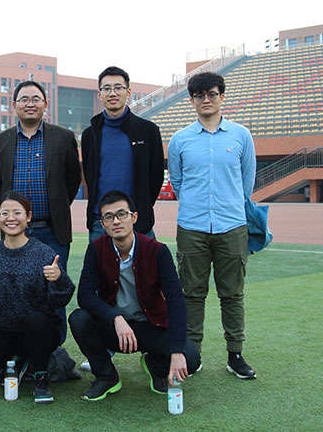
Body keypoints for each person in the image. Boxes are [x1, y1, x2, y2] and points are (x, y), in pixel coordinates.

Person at [167, 71, 257, 379]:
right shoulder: (180, 140)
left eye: (212, 94)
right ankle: (192, 355)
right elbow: (178, 182)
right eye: (199, 95)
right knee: (191, 293)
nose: (206, 99)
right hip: (191, 226)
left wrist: (229, 206)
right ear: (192, 100)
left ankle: (235, 354)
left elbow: (246, 182)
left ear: (222, 97)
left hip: (232, 225)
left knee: (232, 294)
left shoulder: (241, 136)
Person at [69, 190, 200, 401]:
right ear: (103, 224)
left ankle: (155, 366)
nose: (116, 221)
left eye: (122, 214)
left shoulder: (157, 251)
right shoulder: (96, 249)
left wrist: (176, 352)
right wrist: (115, 317)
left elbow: (176, 301)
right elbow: (84, 295)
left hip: (151, 326)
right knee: (79, 318)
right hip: (115, 328)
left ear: (134, 217)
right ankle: (106, 377)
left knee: (190, 359)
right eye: (109, 217)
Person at [0, 191, 75, 404]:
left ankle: (41, 377)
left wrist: (58, 279)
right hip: (4, 330)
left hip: (40, 331)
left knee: (35, 320)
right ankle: (20, 361)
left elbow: (59, 301)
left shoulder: (43, 253)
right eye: (4, 213)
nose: (11, 218)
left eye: (17, 213)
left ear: (28, 217)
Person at [0, 79, 82, 342]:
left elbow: (73, 180)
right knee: (13, 292)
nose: (30, 104)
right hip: (14, 233)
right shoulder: (1, 140)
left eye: (35, 99)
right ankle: (17, 348)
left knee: (55, 291)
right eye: (24, 99)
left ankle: (55, 350)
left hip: (52, 231)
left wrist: (57, 207)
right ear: (14, 105)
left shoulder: (63, 137)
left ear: (45, 104)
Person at [81, 66, 165, 241]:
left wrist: (142, 206)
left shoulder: (148, 131)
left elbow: (156, 176)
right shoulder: (90, 134)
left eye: (118, 88)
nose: (112, 93)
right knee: (99, 261)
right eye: (107, 89)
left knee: (145, 260)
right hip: (100, 222)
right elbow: (90, 175)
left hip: (137, 221)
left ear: (128, 92)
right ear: (100, 94)